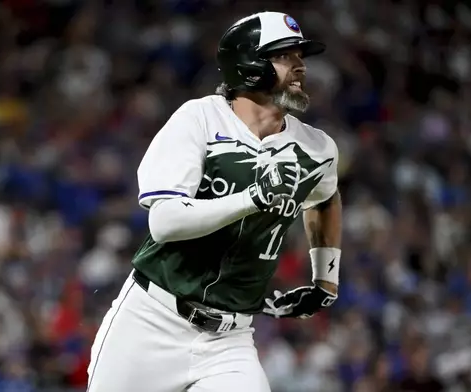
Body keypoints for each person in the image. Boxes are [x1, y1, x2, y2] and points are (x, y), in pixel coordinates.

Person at [87, 11, 343, 392]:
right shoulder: (200, 119)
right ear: (250, 64)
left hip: (230, 340)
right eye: (286, 55)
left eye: (300, 56)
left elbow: (325, 198)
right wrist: (253, 197)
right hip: (151, 320)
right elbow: (166, 221)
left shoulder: (317, 148)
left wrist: (326, 279)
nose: (301, 66)